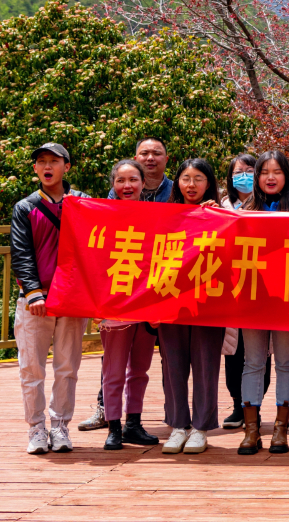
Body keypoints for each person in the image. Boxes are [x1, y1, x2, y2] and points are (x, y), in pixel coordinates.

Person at [11, 143, 90, 454]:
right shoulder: (25, 207)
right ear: (35, 169)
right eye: (41, 162)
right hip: (35, 300)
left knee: (67, 366)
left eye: (54, 161)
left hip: (71, 298)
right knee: (32, 367)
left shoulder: (83, 203)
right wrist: (32, 293)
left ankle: (60, 427)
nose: (47, 166)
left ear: (66, 167)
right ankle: (36, 429)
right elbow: (21, 254)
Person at [237, 151, 289, 455]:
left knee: (285, 362)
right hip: (252, 296)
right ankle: (251, 431)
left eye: (277, 171)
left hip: (287, 297)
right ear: (257, 177)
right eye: (264, 172)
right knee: (253, 362)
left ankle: (281, 430)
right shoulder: (244, 208)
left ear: (287, 175)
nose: (271, 177)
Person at [158, 158, 228, 455]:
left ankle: (200, 427)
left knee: (205, 365)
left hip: (208, 302)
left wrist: (218, 217)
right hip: (170, 300)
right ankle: (177, 426)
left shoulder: (223, 215)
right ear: (177, 183)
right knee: (172, 367)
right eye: (185, 178)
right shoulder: (165, 215)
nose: (191, 185)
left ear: (209, 183)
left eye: (198, 178)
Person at [98, 159, 159, 450]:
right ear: (113, 184)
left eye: (133, 180)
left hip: (147, 304)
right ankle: (113, 426)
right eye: (121, 181)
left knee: (140, 370)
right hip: (115, 304)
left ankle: (133, 423)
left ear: (143, 183)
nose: (127, 186)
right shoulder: (101, 215)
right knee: (113, 370)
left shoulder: (158, 215)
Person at [221, 153, 263, 430]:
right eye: (239, 171)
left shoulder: (267, 205)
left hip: (260, 286)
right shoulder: (220, 204)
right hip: (228, 286)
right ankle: (238, 404)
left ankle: (255, 405)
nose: (244, 175)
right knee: (233, 350)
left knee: (259, 350)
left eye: (250, 170)